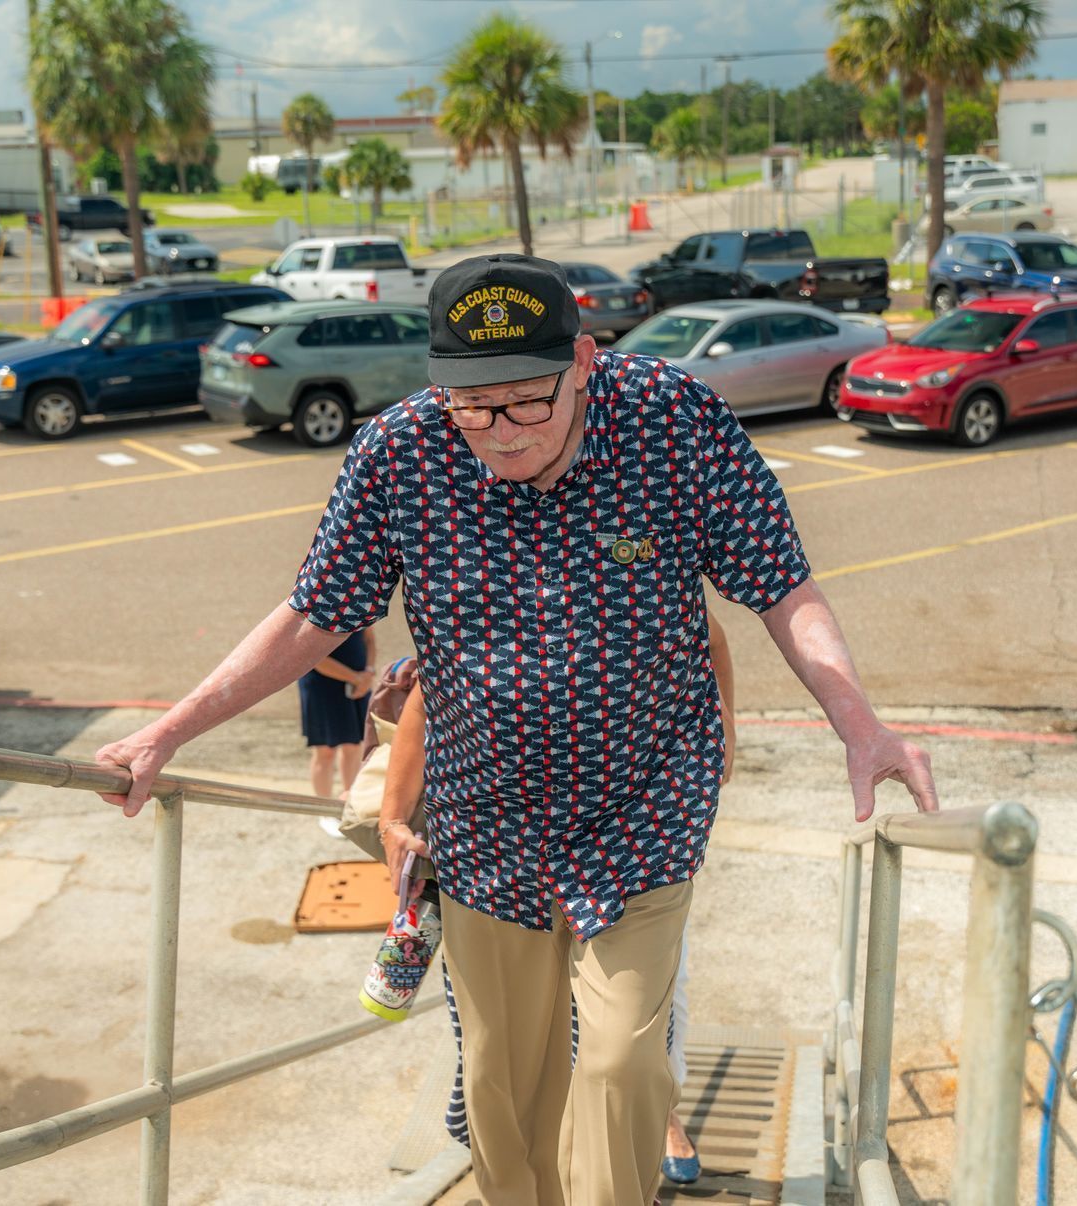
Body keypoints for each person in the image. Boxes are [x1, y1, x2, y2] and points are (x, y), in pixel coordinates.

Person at [93, 254, 937, 1206]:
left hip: (642, 814)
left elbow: (780, 582)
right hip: (486, 826)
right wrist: (169, 732)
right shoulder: (401, 452)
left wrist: (859, 725)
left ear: (582, 360)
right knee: (501, 1085)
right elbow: (311, 615)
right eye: (472, 405)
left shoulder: (674, 421)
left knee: (619, 1068)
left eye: (527, 402)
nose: (499, 433)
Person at [383, 604, 735, 1185]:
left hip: (631, 854)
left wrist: (725, 730)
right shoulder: (485, 575)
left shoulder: (639, 565)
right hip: (502, 860)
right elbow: (428, 701)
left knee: (631, 1046)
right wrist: (394, 819)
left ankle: (658, 1128)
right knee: (513, 1060)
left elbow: (712, 637)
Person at [299, 625, 375, 798]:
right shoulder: (313, 606)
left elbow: (369, 638)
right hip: (321, 686)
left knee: (353, 746)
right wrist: (357, 679)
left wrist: (369, 672)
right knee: (325, 750)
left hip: (358, 684)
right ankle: (323, 809)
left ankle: (349, 803)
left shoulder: (361, 604)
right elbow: (315, 658)